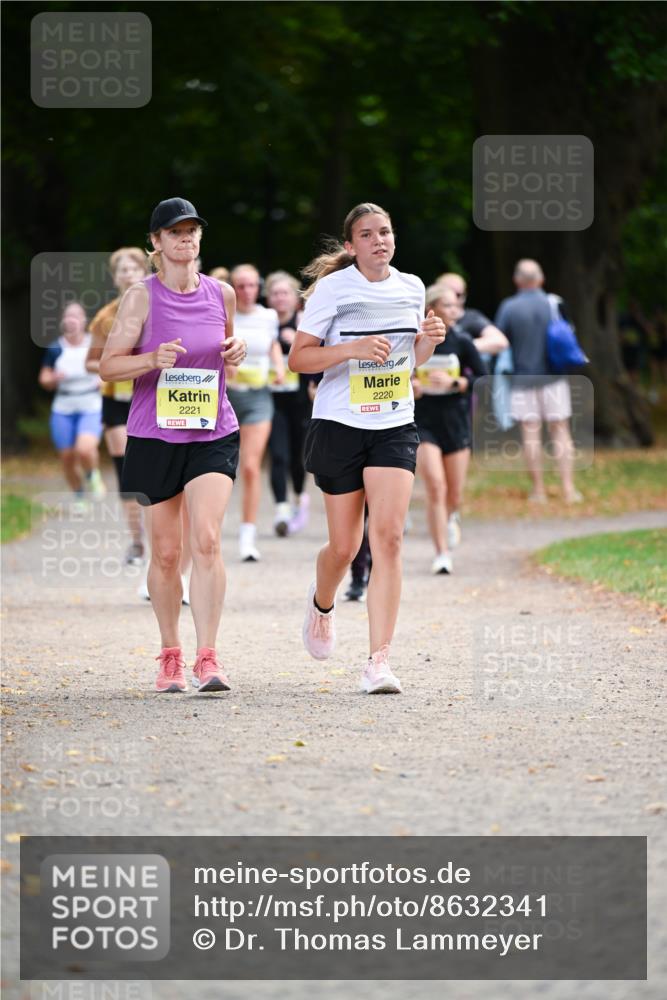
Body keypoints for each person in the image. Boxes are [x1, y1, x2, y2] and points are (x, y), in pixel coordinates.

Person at [289, 202, 446, 694]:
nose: (380, 240)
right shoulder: (334, 289)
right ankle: (322, 604)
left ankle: (379, 661)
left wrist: (428, 343)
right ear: (350, 245)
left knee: (389, 539)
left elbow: (407, 362)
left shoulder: (412, 287)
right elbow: (299, 359)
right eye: (368, 234)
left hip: (395, 423)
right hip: (339, 423)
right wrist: (350, 349)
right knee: (344, 546)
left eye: (386, 231)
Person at [99, 197, 246, 693]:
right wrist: (149, 359)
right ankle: (170, 654)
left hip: (212, 430)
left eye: (193, 230)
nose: (187, 238)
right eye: (176, 231)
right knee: (165, 553)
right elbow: (109, 366)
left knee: (206, 538)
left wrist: (236, 351)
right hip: (154, 434)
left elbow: (227, 357)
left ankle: (208, 658)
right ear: (156, 242)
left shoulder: (220, 294)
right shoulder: (140, 297)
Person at [495, 259, 582, 503]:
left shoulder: (509, 307)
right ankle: (568, 489)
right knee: (561, 431)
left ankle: (539, 491)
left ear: (517, 281)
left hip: (522, 379)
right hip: (554, 378)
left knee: (530, 434)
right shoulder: (553, 303)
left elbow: (500, 341)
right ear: (540, 279)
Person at [413, 284, 487, 573]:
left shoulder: (462, 341)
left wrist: (456, 384)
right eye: (447, 305)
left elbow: (483, 379)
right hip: (423, 421)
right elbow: (397, 372)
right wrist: (411, 385)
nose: (454, 310)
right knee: (435, 487)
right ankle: (441, 553)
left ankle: (451, 515)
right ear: (432, 309)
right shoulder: (415, 340)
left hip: (455, 422)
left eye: (456, 305)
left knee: (453, 495)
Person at [86, 247, 149, 563]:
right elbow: (91, 362)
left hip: (149, 399)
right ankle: (137, 541)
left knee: (153, 469)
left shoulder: (157, 308)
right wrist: (107, 370)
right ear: (115, 277)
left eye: (133, 269)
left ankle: (159, 533)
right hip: (116, 402)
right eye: (122, 270)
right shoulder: (105, 317)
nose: (128, 275)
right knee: (127, 472)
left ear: (144, 272)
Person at [226, 264, 285, 560]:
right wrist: (226, 365)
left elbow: (272, 343)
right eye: (240, 286)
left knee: (250, 466)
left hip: (259, 398)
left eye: (251, 286)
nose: (247, 292)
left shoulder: (268, 316)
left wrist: (278, 366)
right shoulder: (224, 315)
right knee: (220, 468)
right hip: (225, 398)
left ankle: (247, 537)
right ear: (231, 288)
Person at [39, 301, 104, 508]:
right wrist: (53, 378)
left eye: (76, 316)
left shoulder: (93, 344)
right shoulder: (55, 348)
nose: (72, 320)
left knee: (85, 449)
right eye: (68, 316)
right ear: (63, 321)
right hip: (63, 406)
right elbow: (44, 378)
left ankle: (92, 474)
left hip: (90, 404)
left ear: (84, 320)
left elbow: (109, 369)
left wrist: (103, 379)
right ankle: (78, 495)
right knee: (67, 457)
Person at [265, 270, 312, 536]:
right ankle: (281, 507)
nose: (280, 298)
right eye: (275, 293)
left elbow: (321, 353)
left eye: (285, 293)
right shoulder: (264, 322)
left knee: (298, 455)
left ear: (295, 300)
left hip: (300, 399)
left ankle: (298, 496)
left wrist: (298, 343)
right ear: (269, 298)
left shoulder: (304, 323)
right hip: (271, 398)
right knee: (278, 454)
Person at [436, 272, 508, 357]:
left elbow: (500, 341)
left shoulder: (471, 318)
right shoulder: (425, 318)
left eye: (458, 295)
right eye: (446, 301)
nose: (453, 299)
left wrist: (464, 345)